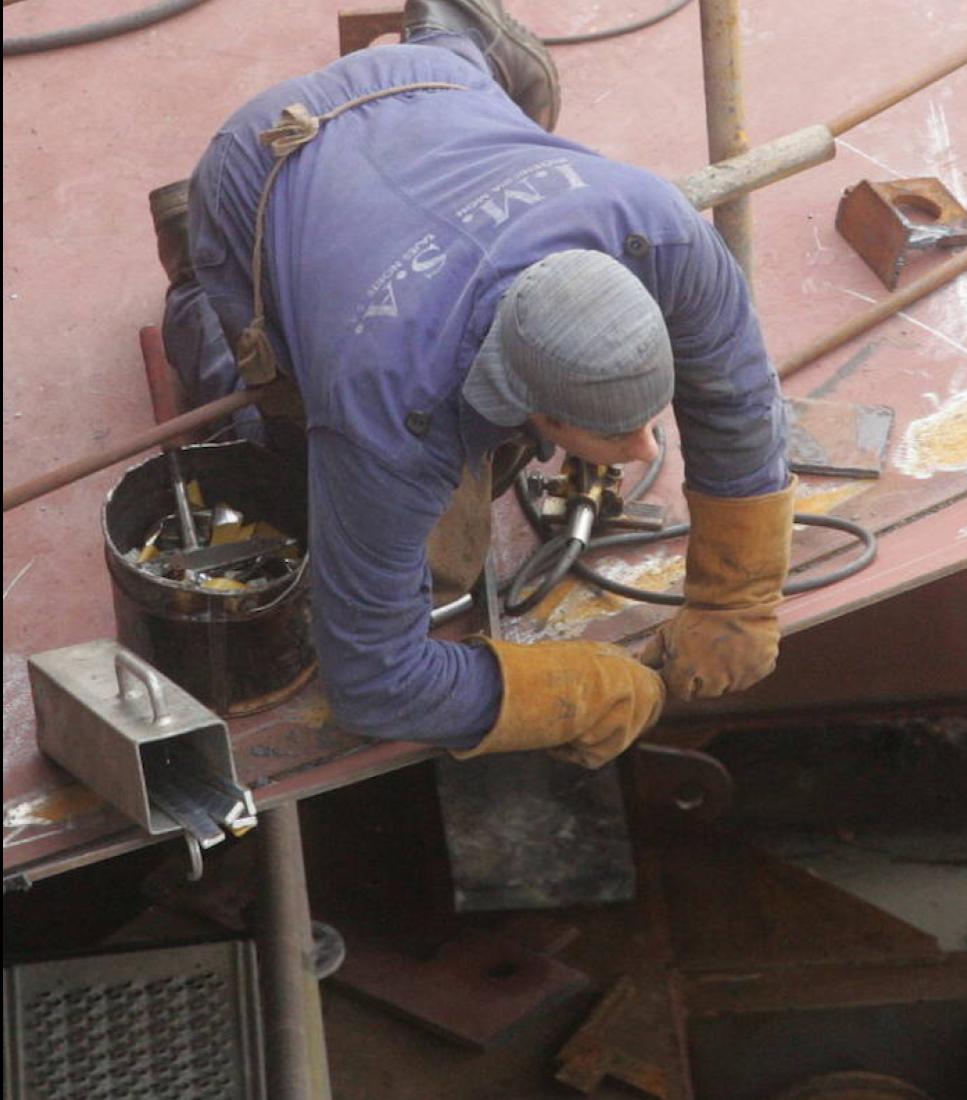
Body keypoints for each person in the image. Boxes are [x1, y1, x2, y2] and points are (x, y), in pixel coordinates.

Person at [150, 0, 795, 769]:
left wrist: (737, 598)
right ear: (537, 409)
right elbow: (373, 680)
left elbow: (735, 398)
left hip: (425, 84)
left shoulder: (660, 228)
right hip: (264, 157)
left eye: (647, 421)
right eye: (617, 433)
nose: (644, 448)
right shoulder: (388, 414)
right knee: (274, 447)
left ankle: (458, 36)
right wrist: (580, 689)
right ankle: (200, 265)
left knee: (463, 92)